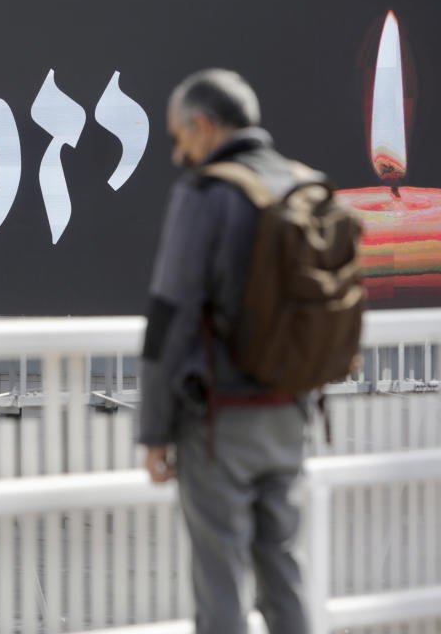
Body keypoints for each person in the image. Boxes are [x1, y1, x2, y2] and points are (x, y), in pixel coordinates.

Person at [137, 69, 310, 634]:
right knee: (283, 573)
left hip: (220, 424)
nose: (177, 152)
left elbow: (171, 314)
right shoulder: (303, 185)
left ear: (205, 126)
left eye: (179, 136)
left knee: (220, 586)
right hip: (289, 416)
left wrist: (155, 430)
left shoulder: (206, 194)